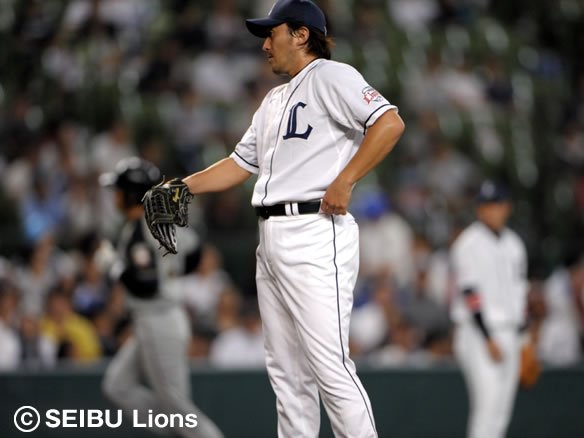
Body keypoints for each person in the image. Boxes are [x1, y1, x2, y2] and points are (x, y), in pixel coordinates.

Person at [157, 1, 405, 436]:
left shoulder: (332, 76)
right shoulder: (273, 99)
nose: (265, 44)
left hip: (315, 231)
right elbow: (239, 164)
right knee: (288, 375)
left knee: (329, 366)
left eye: (272, 33)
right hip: (271, 236)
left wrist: (346, 179)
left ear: (301, 34)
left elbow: (389, 123)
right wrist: (182, 186)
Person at [100, 157, 223, 438]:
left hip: (159, 318)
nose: (115, 196)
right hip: (155, 318)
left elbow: (147, 284)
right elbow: (194, 253)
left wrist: (114, 266)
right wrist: (172, 273)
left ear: (131, 194)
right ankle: (175, 429)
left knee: (178, 407)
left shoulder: (142, 227)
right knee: (118, 386)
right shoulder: (160, 219)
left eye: (120, 190)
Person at [451, 180, 529, 438]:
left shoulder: (514, 244)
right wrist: (487, 337)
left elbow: (520, 293)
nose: (491, 210)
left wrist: (524, 338)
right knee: (486, 408)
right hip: (479, 333)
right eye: (486, 205)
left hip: (510, 331)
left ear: (506, 207)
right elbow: (470, 293)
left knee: (502, 411)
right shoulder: (468, 243)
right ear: (479, 209)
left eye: (496, 204)